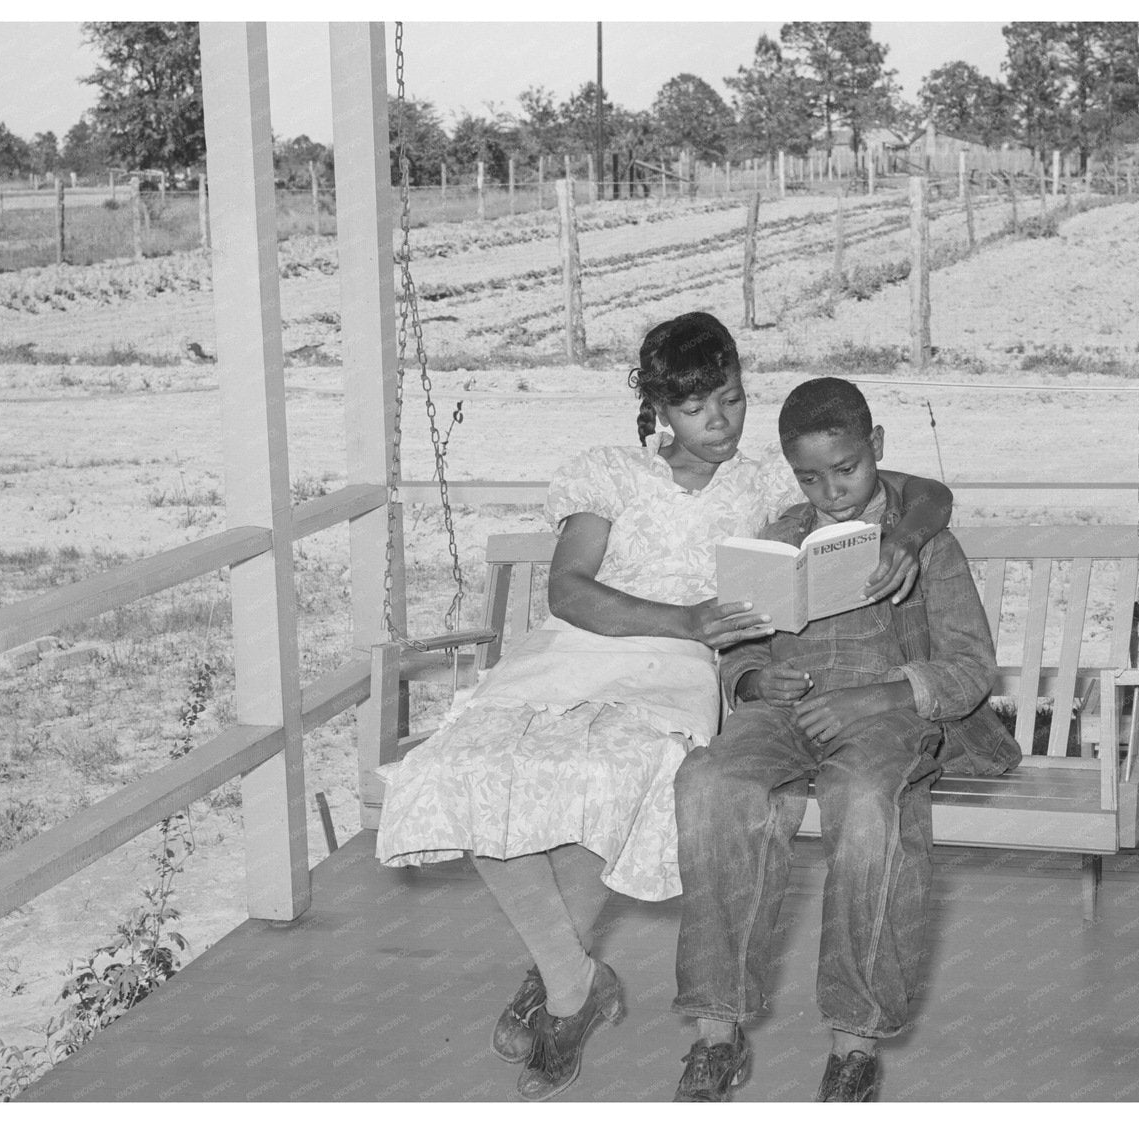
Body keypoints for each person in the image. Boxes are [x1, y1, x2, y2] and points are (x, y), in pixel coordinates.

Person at [373, 315, 954, 1101]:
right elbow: (569, 589)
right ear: (659, 410)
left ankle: (562, 983)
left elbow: (918, 491)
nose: (720, 421)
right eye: (696, 407)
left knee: (623, 770)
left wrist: (907, 541)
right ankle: (570, 979)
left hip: (678, 671)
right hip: (579, 647)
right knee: (462, 766)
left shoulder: (767, 484)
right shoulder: (607, 472)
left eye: (732, 398)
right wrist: (683, 616)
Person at [669, 376, 1020, 1102]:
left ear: (878, 449)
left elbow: (970, 666)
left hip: (888, 710)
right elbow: (743, 651)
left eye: (847, 469)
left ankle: (854, 1043)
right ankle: (716, 1031)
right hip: (786, 712)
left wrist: (880, 695)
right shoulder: (779, 539)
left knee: (864, 802)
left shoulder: (921, 545)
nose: (830, 491)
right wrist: (755, 680)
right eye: (808, 477)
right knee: (710, 782)